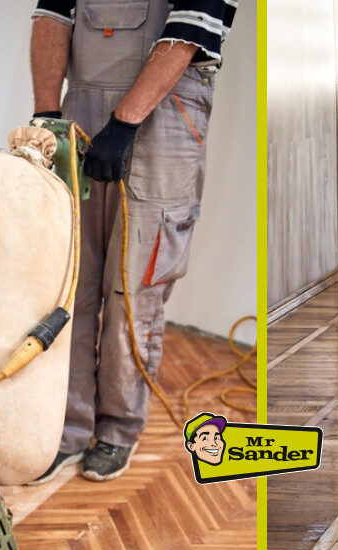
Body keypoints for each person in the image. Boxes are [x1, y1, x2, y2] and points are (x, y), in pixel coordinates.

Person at [28, 0, 237, 482]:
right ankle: (68, 427)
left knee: (132, 291)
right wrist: (46, 113)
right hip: (78, 113)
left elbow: (187, 33)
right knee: (68, 282)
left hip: (164, 116)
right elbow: (52, 19)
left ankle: (118, 429)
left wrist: (124, 124)